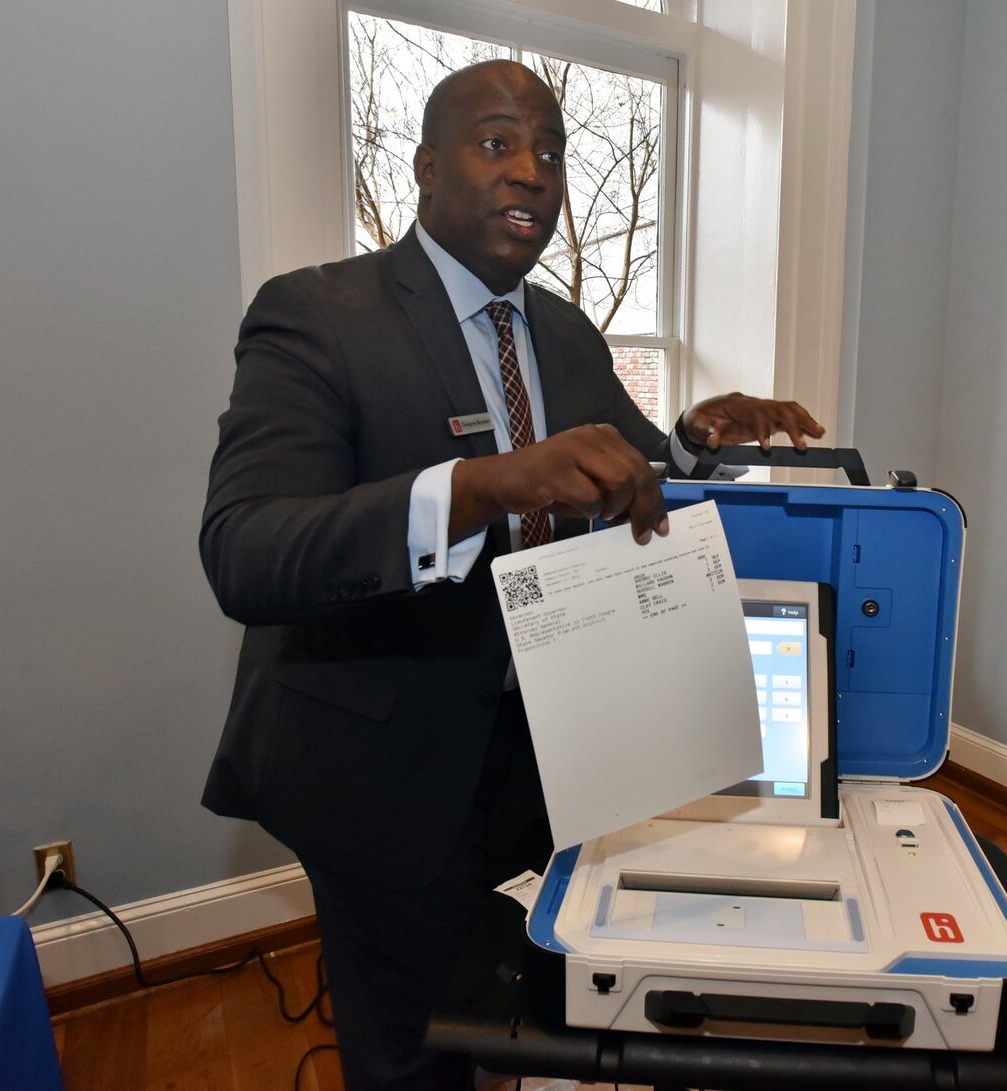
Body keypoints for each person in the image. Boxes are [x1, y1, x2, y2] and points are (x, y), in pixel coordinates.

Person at [199, 59, 823, 1090]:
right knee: (412, 1052)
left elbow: (628, 472)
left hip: (544, 752)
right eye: (497, 144)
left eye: (550, 151)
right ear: (426, 169)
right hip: (378, 764)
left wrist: (697, 439)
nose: (531, 171)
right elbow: (247, 548)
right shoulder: (317, 316)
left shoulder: (567, 333)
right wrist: (478, 486)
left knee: (519, 1011)